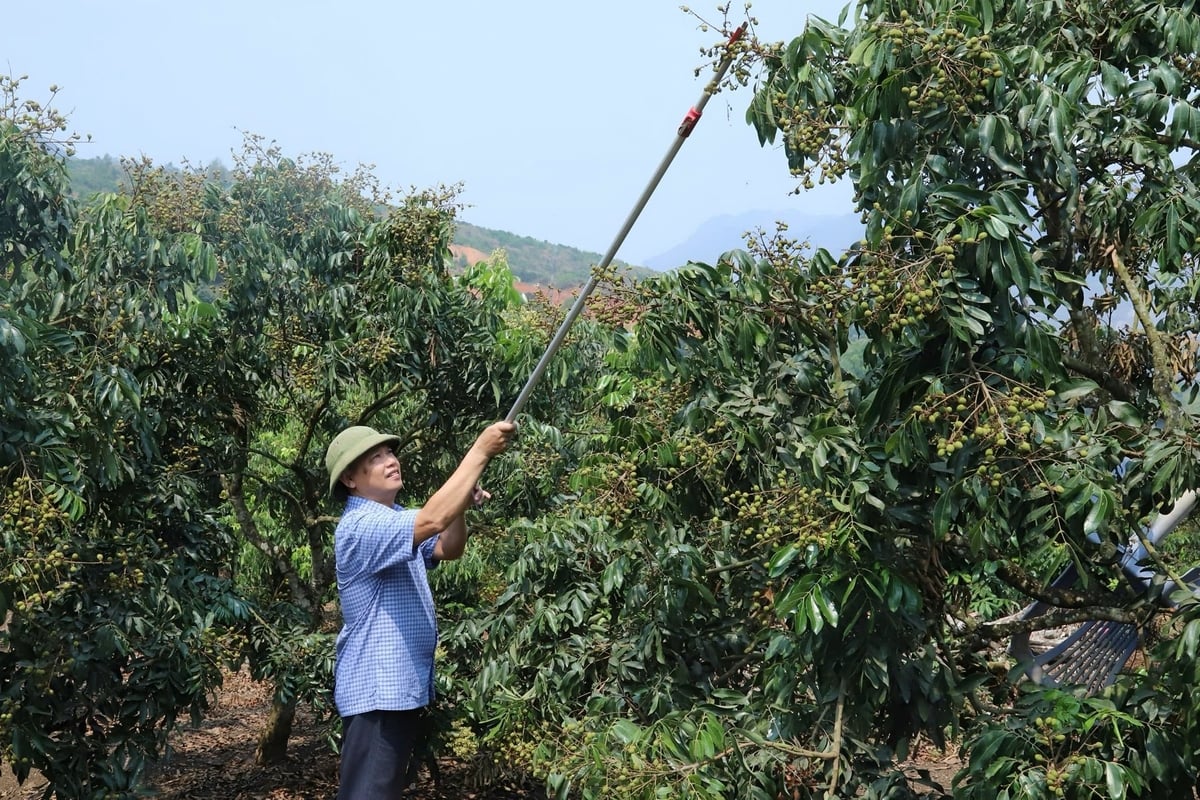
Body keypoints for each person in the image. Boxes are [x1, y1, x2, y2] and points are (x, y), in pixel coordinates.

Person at [324, 420, 517, 799]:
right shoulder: (361, 526)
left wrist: (459, 505)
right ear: (350, 478)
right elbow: (432, 519)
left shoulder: (395, 520)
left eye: (390, 452)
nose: (390, 461)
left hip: (396, 690)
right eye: (375, 458)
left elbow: (448, 547)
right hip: (377, 693)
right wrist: (479, 452)